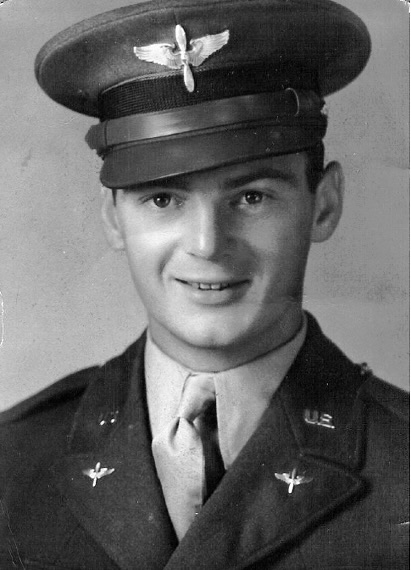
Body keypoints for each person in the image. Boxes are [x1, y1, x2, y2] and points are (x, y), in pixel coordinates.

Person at [0, 0, 408, 568]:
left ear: (324, 205)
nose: (208, 244)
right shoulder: (11, 461)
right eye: (163, 199)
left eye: (252, 197)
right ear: (115, 218)